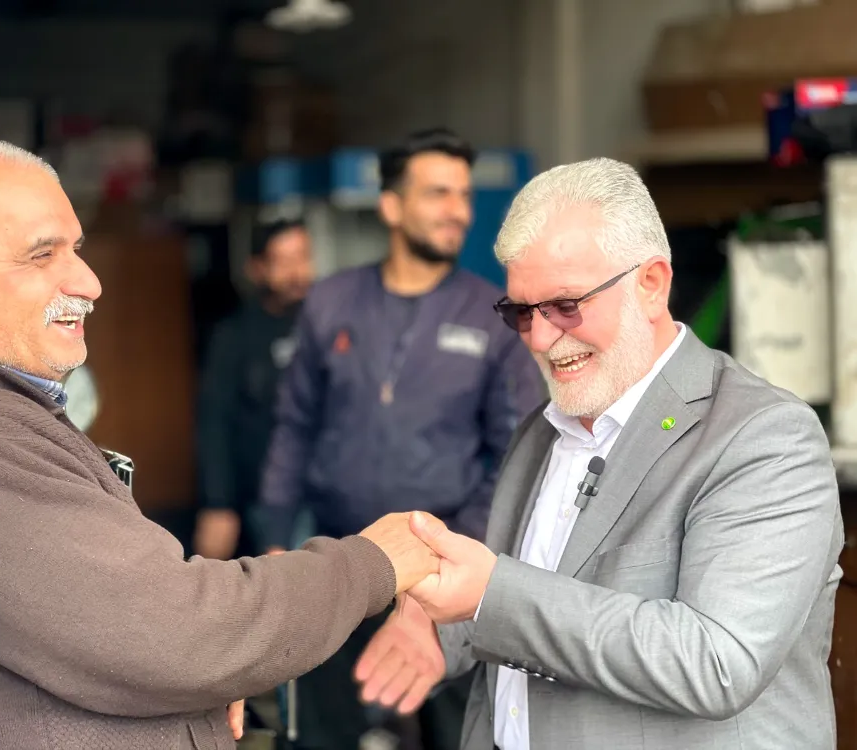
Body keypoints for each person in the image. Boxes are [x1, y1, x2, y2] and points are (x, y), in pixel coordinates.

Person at [0, 138, 443, 750]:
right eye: (42, 255)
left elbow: (127, 637)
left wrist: (199, 678)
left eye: (77, 250)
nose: (89, 283)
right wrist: (373, 562)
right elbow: (182, 633)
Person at [354, 157, 843, 749]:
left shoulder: (764, 437)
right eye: (521, 312)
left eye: (566, 305)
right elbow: (529, 597)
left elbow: (717, 662)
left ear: (652, 284)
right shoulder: (542, 431)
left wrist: (487, 594)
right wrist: (438, 631)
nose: (540, 338)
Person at [259, 128, 545, 750]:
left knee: (459, 736)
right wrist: (275, 540)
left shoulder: (491, 316)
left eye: (464, 195)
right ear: (391, 205)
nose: (459, 211)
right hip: (336, 561)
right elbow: (294, 427)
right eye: (439, 193)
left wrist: (449, 555)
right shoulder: (332, 302)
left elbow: (516, 457)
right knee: (321, 735)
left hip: (443, 575)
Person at [194, 218, 315, 560]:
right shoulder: (234, 336)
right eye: (283, 261)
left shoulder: (328, 326)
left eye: (303, 257)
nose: (297, 272)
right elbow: (215, 421)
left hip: (330, 490)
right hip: (267, 494)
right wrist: (218, 503)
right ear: (257, 268)